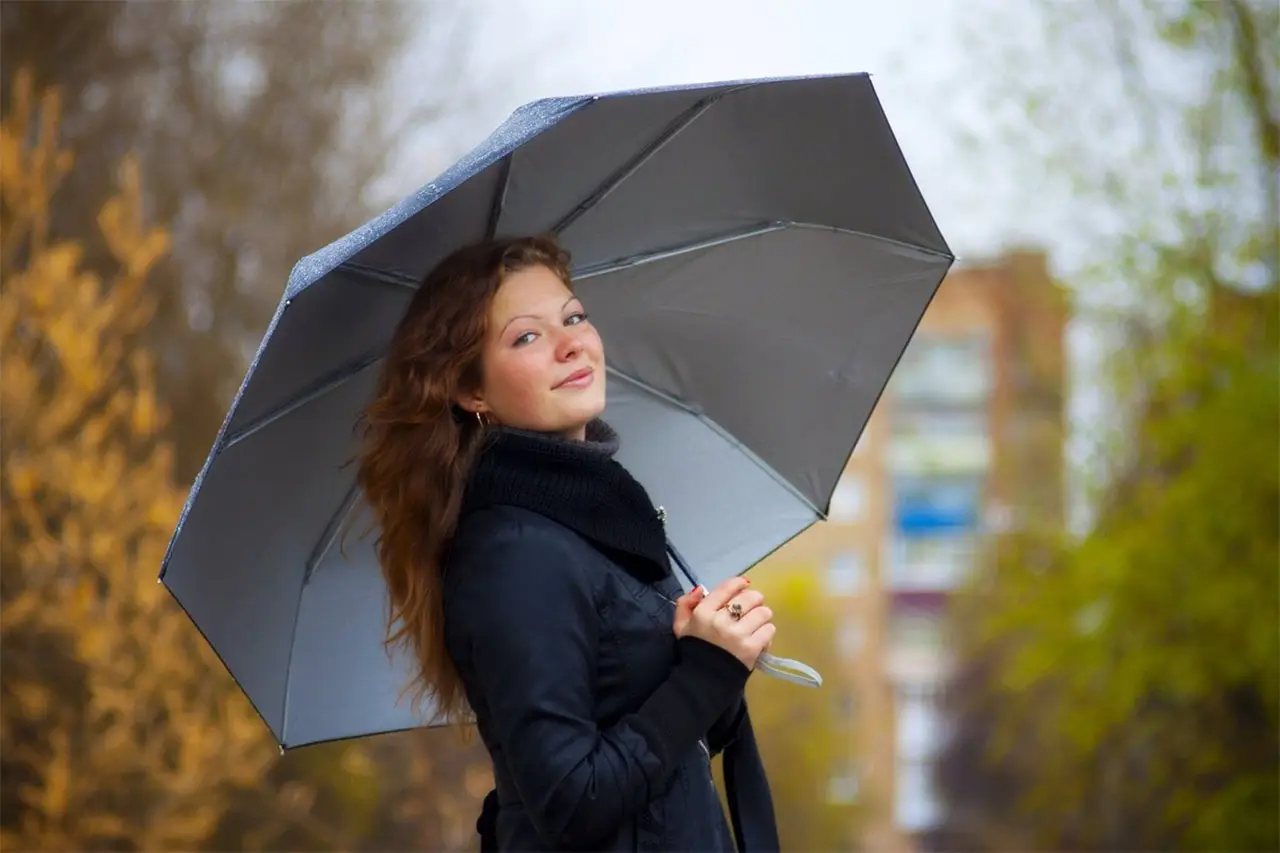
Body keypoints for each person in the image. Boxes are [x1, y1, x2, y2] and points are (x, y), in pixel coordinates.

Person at [356, 234, 781, 851]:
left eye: (574, 317)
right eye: (527, 337)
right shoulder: (512, 554)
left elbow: (662, 760)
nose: (571, 343)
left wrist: (707, 654)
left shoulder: (598, 519)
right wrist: (703, 676)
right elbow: (572, 799)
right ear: (471, 392)